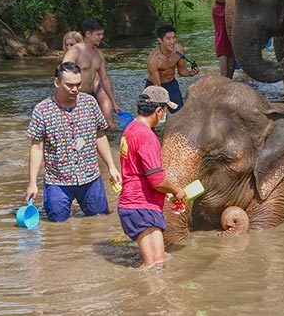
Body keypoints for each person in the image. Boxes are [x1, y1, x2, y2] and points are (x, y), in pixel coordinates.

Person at [25, 61, 122, 222]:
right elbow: (36, 148)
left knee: (100, 221)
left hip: (90, 177)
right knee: (57, 224)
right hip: (58, 180)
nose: (75, 89)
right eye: (69, 85)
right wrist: (32, 183)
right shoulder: (42, 110)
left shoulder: (90, 103)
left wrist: (112, 167)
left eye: (78, 84)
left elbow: (100, 136)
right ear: (57, 82)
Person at [118, 85, 187, 269]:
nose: (165, 116)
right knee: (153, 265)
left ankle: (153, 297)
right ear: (158, 111)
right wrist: (176, 190)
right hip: (141, 206)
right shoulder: (146, 136)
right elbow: (156, 180)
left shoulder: (131, 128)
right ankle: (141, 296)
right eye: (165, 110)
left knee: (158, 263)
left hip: (134, 205)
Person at [63, 18, 122, 128]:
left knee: (101, 127)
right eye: (98, 34)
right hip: (75, 96)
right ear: (88, 34)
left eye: (102, 34)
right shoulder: (75, 51)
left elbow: (105, 79)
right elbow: (64, 74)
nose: (101, 37)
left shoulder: (99, 54)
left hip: (91, 96)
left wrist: (113, 102)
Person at [145, 24, 200, 112]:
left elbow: (182, 71)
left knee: (180, 114)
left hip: (171, 84)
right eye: (168, 39)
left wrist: (191, 73)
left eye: (174, 38)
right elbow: (158, 87)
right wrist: (166, 102)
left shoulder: (179, 50)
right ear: (160, 40)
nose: (172, 42)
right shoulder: (153, 60)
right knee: (151, 117)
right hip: (155, 86)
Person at [210, 0, 236, 79]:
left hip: (230, 40)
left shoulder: (227, 6)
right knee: (224, 72)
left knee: (231, 68)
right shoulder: (216, 8)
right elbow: (229, 15)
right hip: (221, 42)